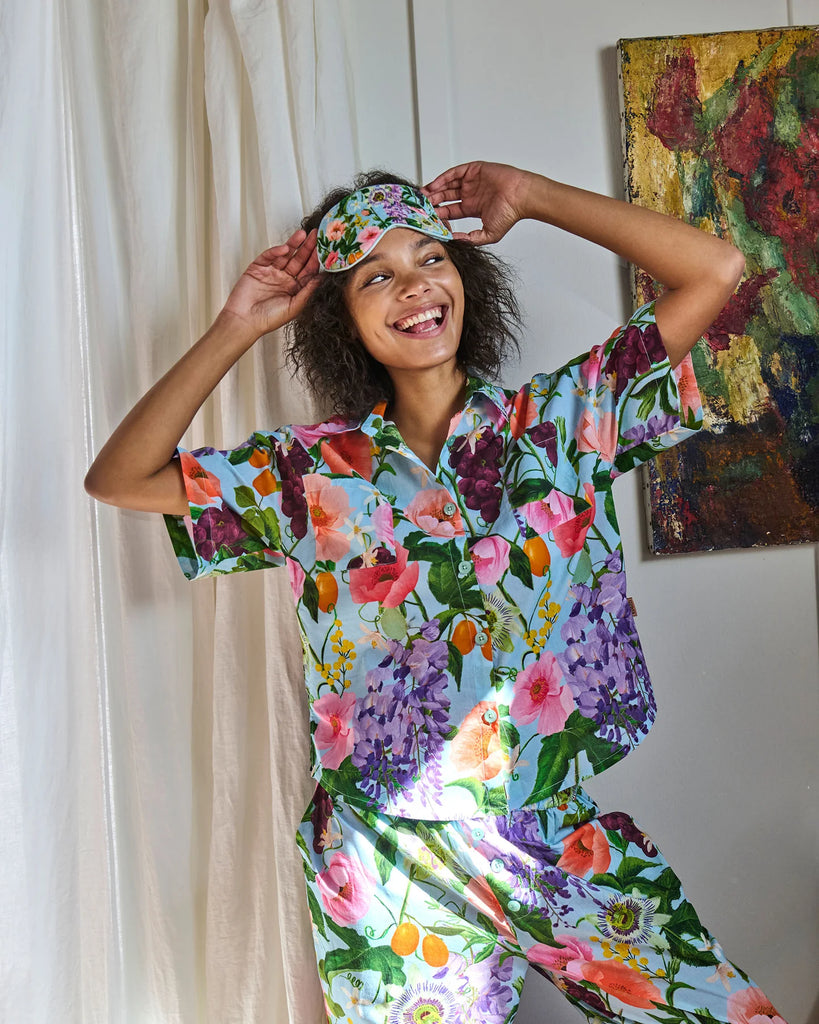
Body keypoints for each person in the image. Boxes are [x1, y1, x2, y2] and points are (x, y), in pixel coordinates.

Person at [86, 163, 786, 1024]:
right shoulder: (306, 472)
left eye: (431, 259)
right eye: (376, 276)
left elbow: (713, 269)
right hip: (384, 853)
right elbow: (119, 478)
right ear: (342, 320)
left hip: (544, 826)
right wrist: (239, 325)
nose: (414, 287)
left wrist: (530, 197)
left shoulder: (559, 423)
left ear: (466, 278)